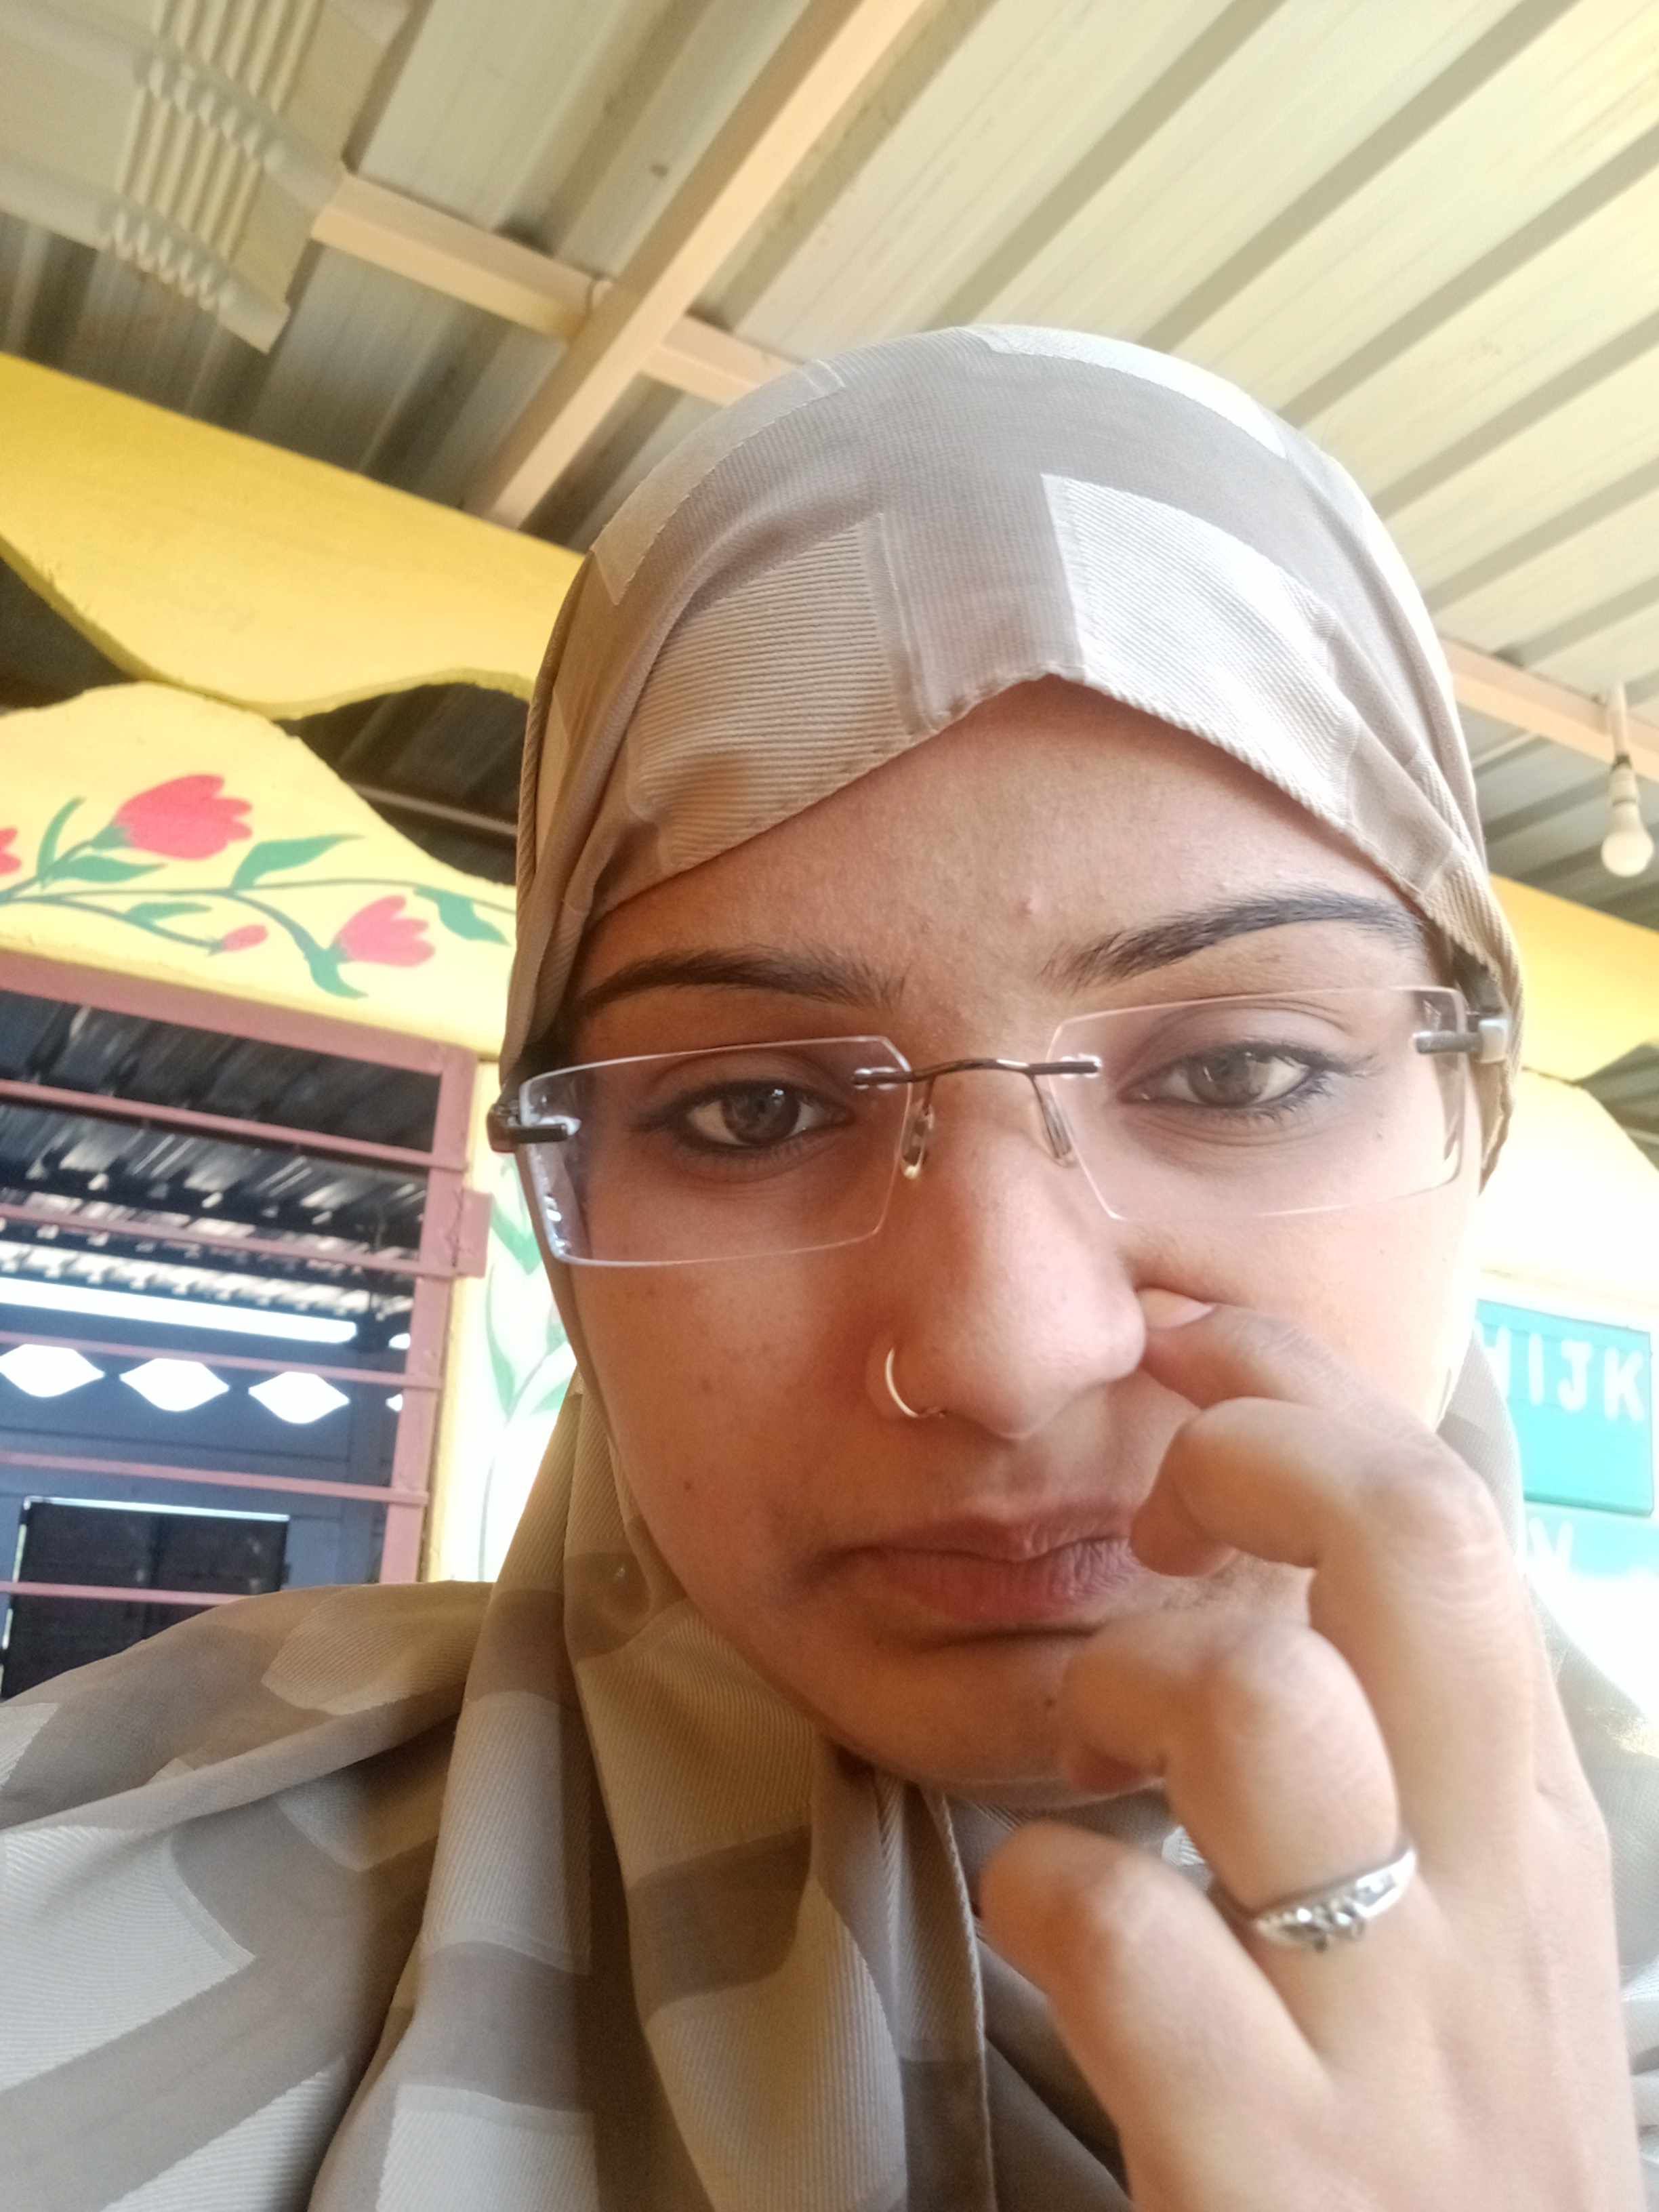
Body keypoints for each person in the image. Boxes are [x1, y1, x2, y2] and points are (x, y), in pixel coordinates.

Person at [1, 327, 1654, 2211]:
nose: (1007, 1350)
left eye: (1238, 1074)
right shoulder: (69, 1938)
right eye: (750, 1111)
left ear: (1473, 1121)